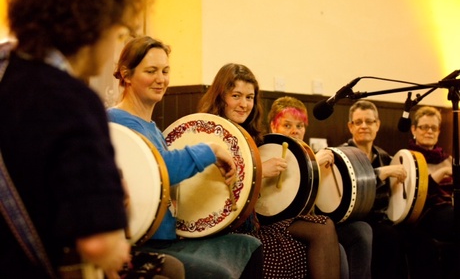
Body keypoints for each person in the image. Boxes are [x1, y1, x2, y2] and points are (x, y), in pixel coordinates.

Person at [0, 0, 184, 279]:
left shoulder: (6, 74)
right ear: (95, 25)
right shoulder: (74, 101)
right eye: (119, 30)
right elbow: (100, 244)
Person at [107, 36, 263, 279]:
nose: (161, 79)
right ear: (126, 75)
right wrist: (211, 150)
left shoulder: (152, 128)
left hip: (169, 238)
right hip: (142, 244)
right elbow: (156, 172)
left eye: (165, 71)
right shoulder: (115, 123)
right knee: (218, 274)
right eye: (151, 71)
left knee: (248, 245)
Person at [198, 63, 341, 279]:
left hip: (255, 223)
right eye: (236, 95)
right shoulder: (207, 131)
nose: (244, 104)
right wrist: (260, 171)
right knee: (297, 252)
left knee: (323, 227)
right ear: (220, 96)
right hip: (225, 229)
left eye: (249, 97)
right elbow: (210, 188)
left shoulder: (251, 136)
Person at [268, 96, 373, 279]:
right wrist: (315, 163)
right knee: (336, 247)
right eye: (287, 125)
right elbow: (282, 197)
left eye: (299, 126)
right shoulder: (268, 150)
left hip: (314, 219)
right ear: (273, 126)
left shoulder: (306, 152)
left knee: (362, 230)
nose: (294, 131)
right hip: (281, 223)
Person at [341, 100, 408, 279]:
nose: (364, 126)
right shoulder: (341, 155)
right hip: (351, 221)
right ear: (350, 126)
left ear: (377, 125)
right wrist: (381, 173)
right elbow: (349, 185)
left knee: (404, 234)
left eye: (369, 121)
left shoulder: (385, 156)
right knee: (386, 236)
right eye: (358, 122)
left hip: (380, 221)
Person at [405, 106, 456, 278]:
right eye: (424, 127)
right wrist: (440, 174)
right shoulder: (407, 158)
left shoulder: (448, 159)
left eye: (433, 128)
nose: (429, 131)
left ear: (439, 131)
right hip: (425, 214)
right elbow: (413, 197)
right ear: (414, 129)